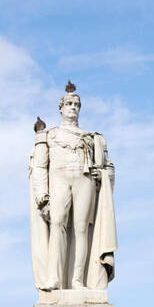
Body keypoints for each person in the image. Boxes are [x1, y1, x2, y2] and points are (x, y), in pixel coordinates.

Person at [29, 82, 116, 291]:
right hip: (59, 180)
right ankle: (54, 277)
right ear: (61, 108)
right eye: (68, 103)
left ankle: (77, 280)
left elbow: (109, 167)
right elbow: (39, 167)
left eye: (76, 104)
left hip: (84, 180)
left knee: (81, 229)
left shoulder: (92, 138)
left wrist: (102, 176)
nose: (72, 107)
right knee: (57, 224)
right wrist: (42, 197)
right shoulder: (49, 135)